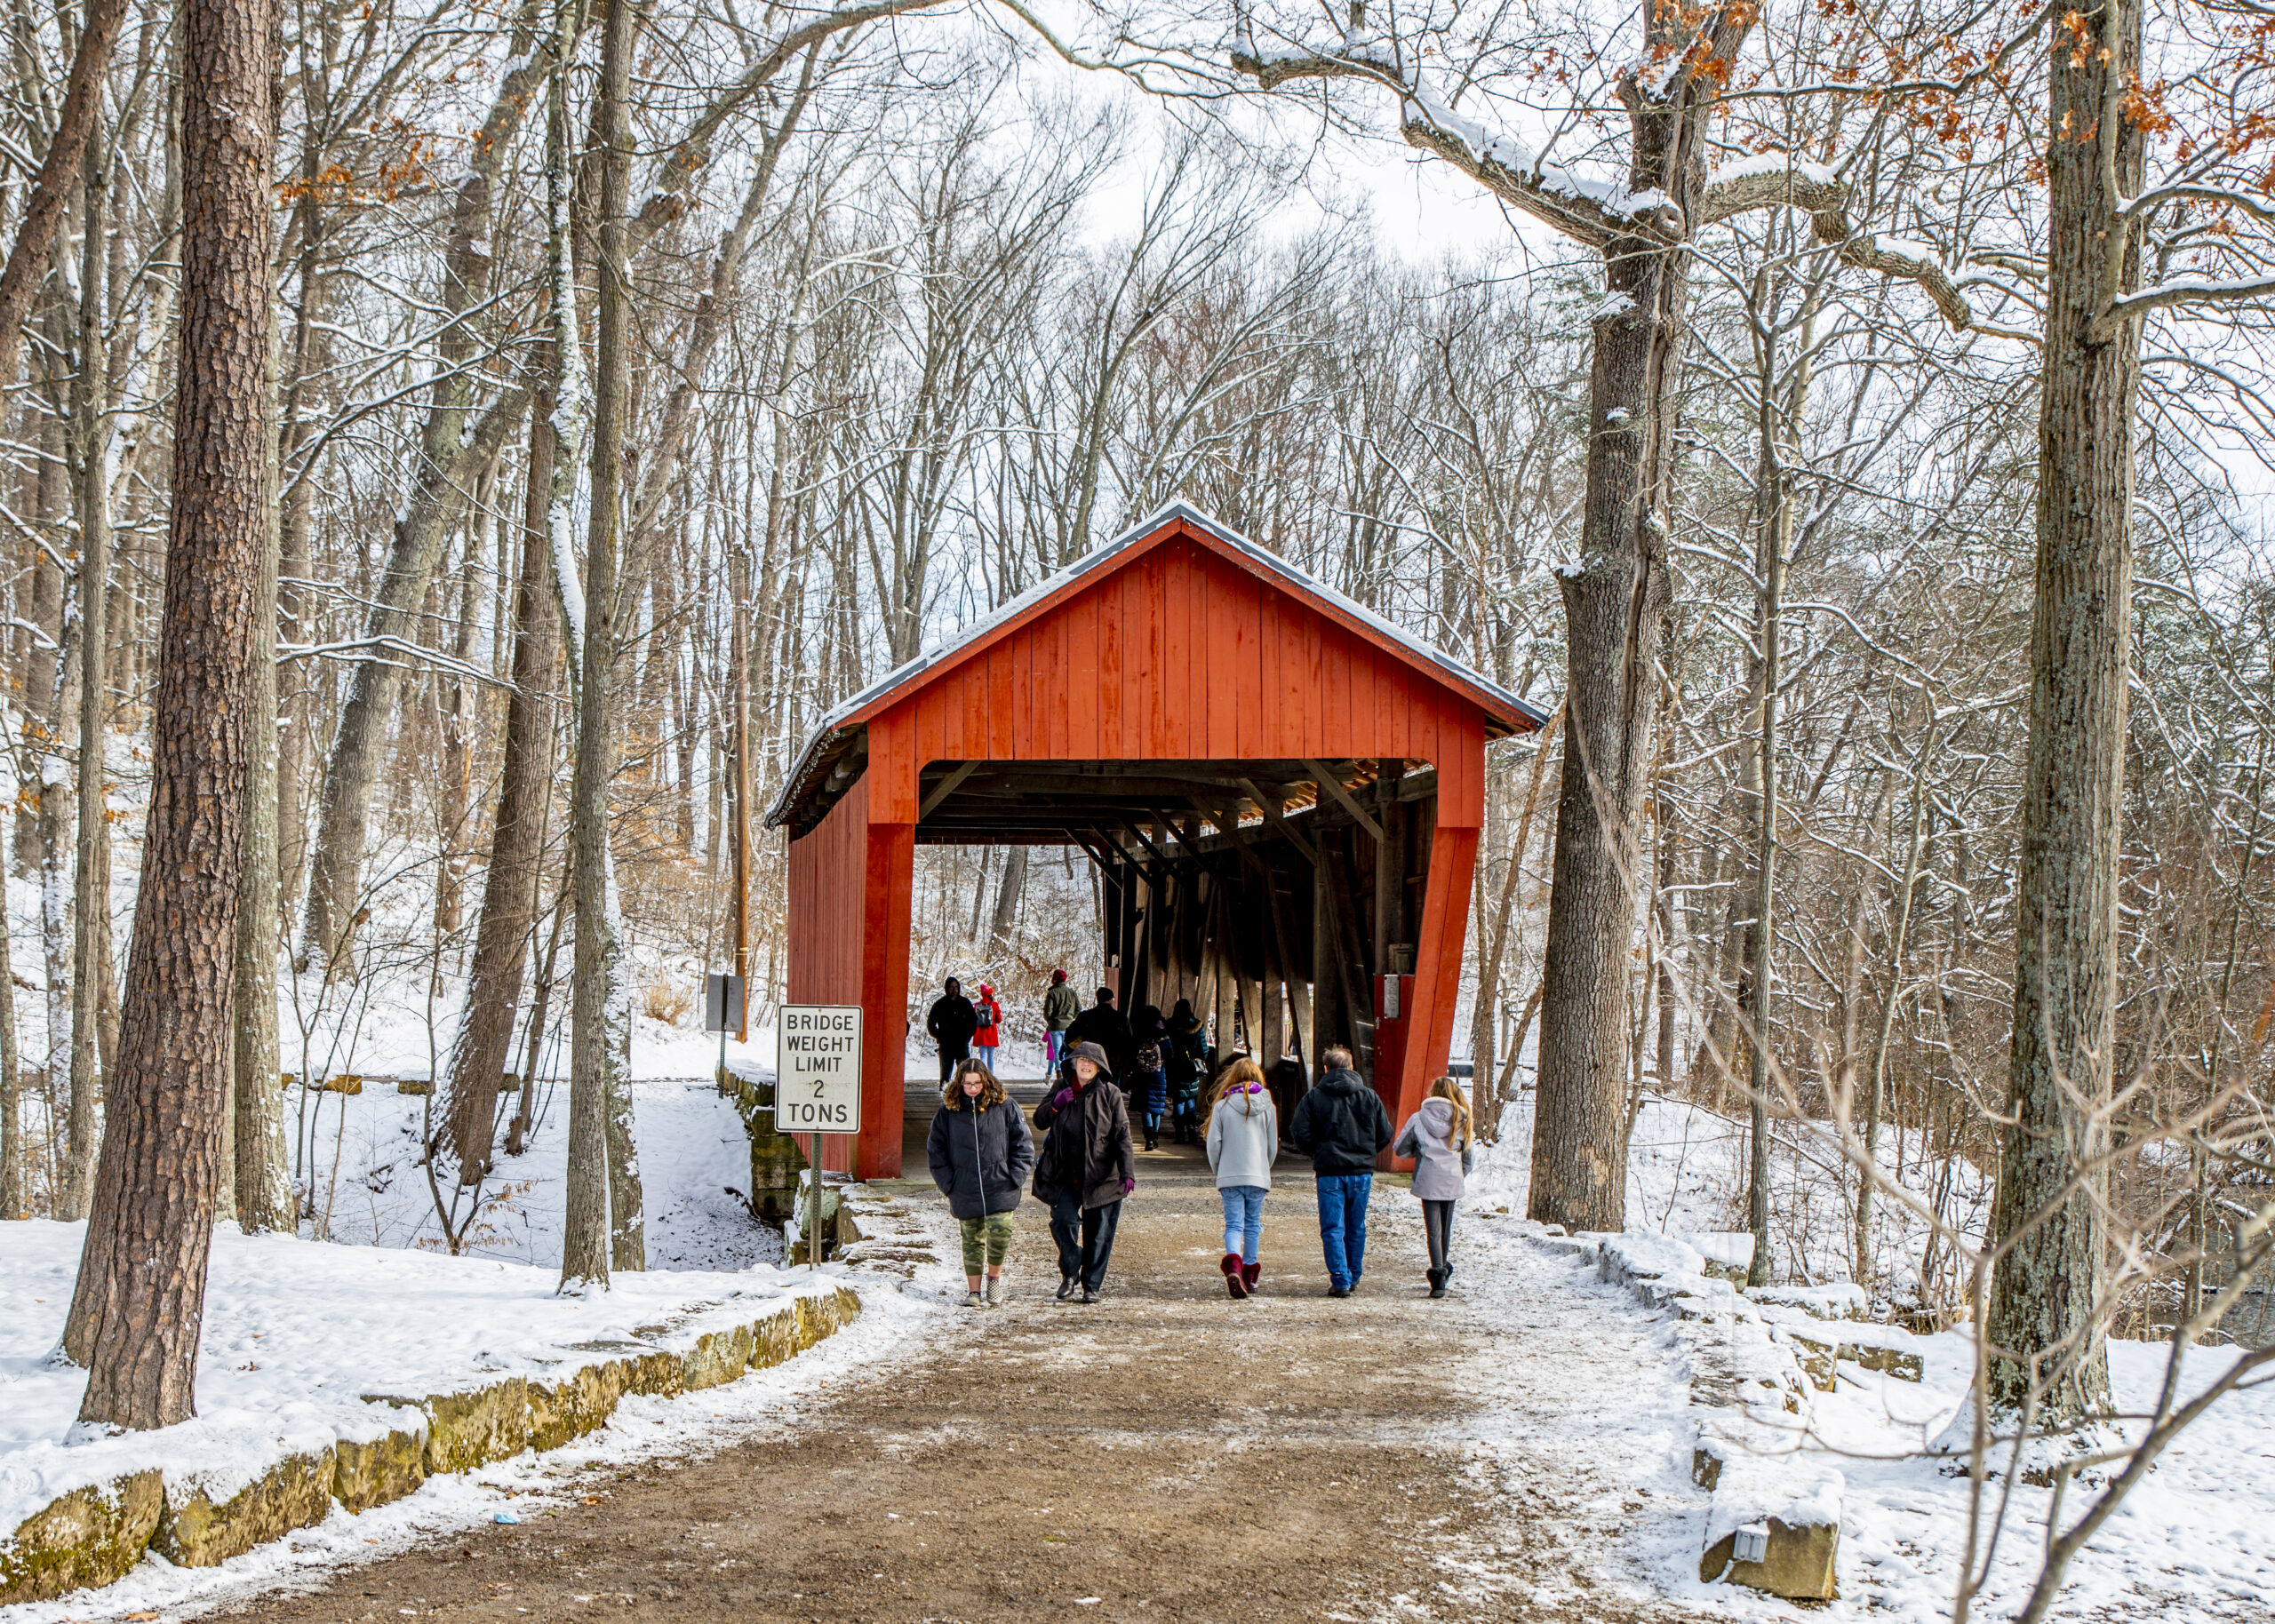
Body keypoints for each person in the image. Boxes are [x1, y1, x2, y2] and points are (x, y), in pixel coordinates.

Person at [1030, 1040, 1135, 1303]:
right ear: (1073, 1064)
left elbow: (1122, 1134)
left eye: (1091, 1062)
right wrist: (1055, 1105)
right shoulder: (1061, 1088)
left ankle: (1091, 1286)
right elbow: (1040, 1120)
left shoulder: (1110, 1093)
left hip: (1102, 1175)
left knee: (1099, 1232)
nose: (1086, 1065)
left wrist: (1127, 1171)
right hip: (1063, 1173)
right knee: (1063, 1220)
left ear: (1100, 1068)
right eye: (1081, 1061)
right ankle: (1070, 1270)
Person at [927, 1059, 1035, 1308]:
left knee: (1000, 1233)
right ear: (959, 1083)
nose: (973, 1089)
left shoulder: (1005, 1106)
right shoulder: (948, 1112)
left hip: (1000, 1184)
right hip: (964, 1186)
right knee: (971, 1238)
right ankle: (973, 1292)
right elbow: (936, 1150)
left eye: (977, 1083)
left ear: (986, 1081)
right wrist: (948, 1184)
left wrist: (1015, 1176)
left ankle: (994, 1279)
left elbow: (1023, 1143)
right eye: (968, 1084)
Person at [1289, 1044, 1392, 1297]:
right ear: (1351, 1067)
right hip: (1361, 1173)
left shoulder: (1314, 1097)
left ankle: (1340, 1279)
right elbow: (1385, 1133)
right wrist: (1367, 1153)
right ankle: (1353, 1274)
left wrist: (1318, 1152)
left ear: (1326, 1069)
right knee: (1356, 1226)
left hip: (1329, 1172)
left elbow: (1299, 1132)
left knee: (1333, 1227)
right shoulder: (1370, 1097)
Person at [1393, 1076, 1473, 1299]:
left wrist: (1418, 1154)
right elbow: (1469, 1159)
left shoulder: (1419, 1119)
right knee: (1446, 1227)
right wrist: (1458, 1174)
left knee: (1433, 1229)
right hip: (1452, 1180)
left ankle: (1437, 1272)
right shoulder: (1462, 1119)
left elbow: (1400, 1149)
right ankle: (1442, 1272)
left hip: (1428, 1178)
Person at [1205, 1056, 1278, 1299]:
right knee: (1253, 1226)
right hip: (1258, 1175)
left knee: (1234, 1225)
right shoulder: (1268, 1106)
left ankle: (1233, 1267)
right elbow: (1271, 1147)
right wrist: (1263, 1169)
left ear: (1232, 1078)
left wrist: (1220, 1170)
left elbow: (1213, 1145)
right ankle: (1249, 1277)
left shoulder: (1222, 1106)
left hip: (1230, 1175)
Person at [1163, 999, 1211, 1143]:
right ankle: (1191, 1130)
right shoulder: (1197, 1025)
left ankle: (1179, 1133)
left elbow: (1165, 1047)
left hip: (1174, 1067)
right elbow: (1204, 1050)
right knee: (1190, 1097)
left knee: (1178, 1099)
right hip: (1191, 1068)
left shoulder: (1170, 1026)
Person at [1065, 986, 1134, 1085]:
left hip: (1090, 1059)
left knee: (1090, 1091)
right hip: (1113, 1062)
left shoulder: (1085, 1016)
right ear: (1111, 1000)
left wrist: (1079, 1048)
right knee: (1111, 1092)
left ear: (1098, 999)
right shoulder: (1121, 1018)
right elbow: (1128, 1041)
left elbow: (1069, 1035)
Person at [926, 977, 978, 1087]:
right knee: (945, 1075)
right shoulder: (940, 1004)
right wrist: (939, 1036)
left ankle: (965, 1097)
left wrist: (967, 1037)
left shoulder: (965, 1003)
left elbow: (973, 1022)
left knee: (965, 1074)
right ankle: (945, 1097)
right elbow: (931, 1023)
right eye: (951, 987)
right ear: (947, 988)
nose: (954, 990)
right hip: (946, 1045)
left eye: (956, 987)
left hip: (962, 1044)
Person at [1130, 1022, 1169, 1152]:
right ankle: (1155, 1136)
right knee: (1156, 1108)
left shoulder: (1141, 1037)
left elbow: (1133, 1056)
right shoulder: (1164, 1038)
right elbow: (1171, 1056)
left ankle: (1149, 1139)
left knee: (1145, 1108)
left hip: (1143, 1076)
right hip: (1159, 1075)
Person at [1042, 970, 1081, 1071]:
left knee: (1057, 1050)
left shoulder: (1052, 993)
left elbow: (1047, 1012)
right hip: (1069, 1026)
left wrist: (1050, 1021)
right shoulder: (1072, 993)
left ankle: (1059, 1073)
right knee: (1069, 1050)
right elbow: (1078, 1008)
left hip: (1055, 1026)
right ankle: (1069, 1072)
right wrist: (1072, 1019)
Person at [971, 983, 1003, 1075]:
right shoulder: (994, 1005)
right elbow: (999, 1019)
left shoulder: (977, 1005)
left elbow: (974, 1019)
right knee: (991, 1056)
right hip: (991, 1032)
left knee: (983, 1055)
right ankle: (991, 1075)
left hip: (980, 1033)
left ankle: (983, 1075)